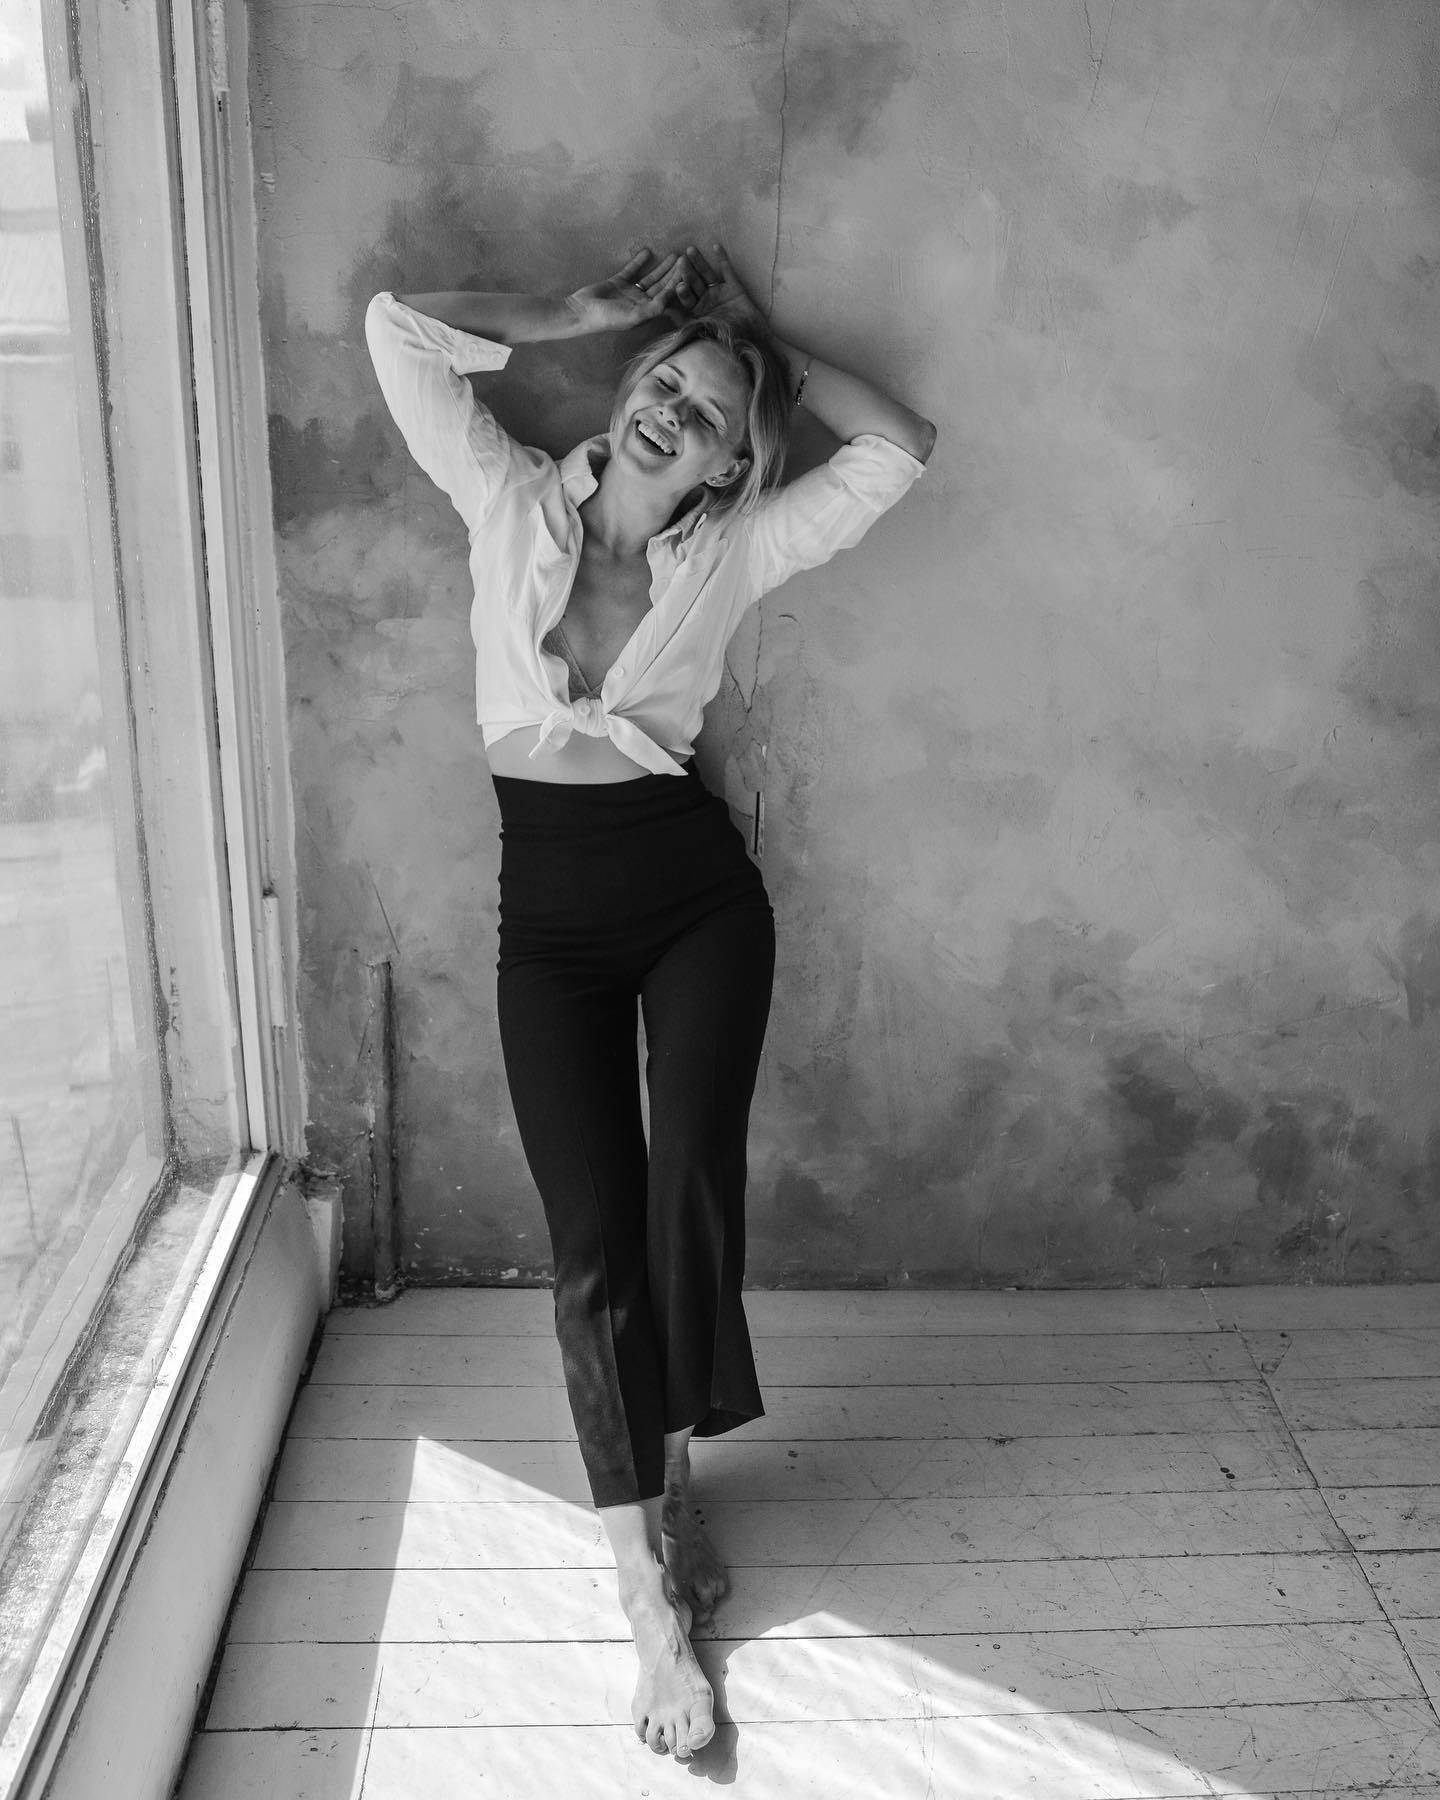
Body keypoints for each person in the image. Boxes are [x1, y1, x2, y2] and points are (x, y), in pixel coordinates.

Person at [365, 240, 935, 1760]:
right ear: (627, 392)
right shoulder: (505, 500)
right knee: (592, 1243)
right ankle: (643, 1597)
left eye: (711, 411)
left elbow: (898, 448)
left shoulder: (734, 552)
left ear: (735, 459)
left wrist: (760, 347)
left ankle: (667, 1477)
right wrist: (583, 313)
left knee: (687, 1191)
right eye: (665, 383)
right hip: (548, 922)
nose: (675, 410)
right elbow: (397, 329)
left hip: (695, 905)